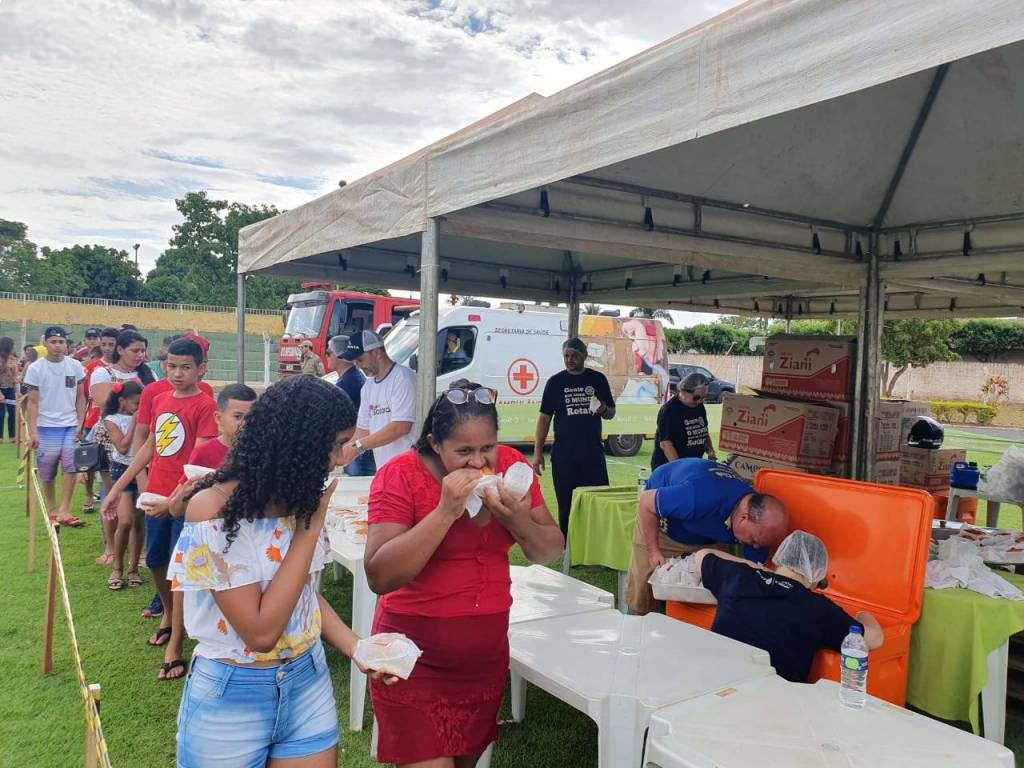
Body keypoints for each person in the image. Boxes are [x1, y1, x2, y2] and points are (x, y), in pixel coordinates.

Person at [170, 375, 397, 765]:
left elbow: (300, 595)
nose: (340, 458)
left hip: (308, 679)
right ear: (297, 444)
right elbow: (260, 632)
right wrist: (309, 528)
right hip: (232, 690)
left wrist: (357, 646)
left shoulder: (299, 497)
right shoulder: (212, 510)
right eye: (336, 444)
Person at [365, 379, 564, 767]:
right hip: (413, 659)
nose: (478, 462)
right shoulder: (400, 474)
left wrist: (517, 520)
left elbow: (549, 550)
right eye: (463, 451)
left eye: (487, 447)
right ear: (435, 444)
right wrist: (445, 512)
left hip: (483, 662)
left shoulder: (512, 467)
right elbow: (380, 576)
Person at [101, 337, 218, 680]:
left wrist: (174, 501)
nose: (177, 373)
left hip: (185, 501)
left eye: (186, 367)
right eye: (172, 366)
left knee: (180, 572)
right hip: (156, 495)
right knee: (154, 561)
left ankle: (176, 644)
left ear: (201, 369)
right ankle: (169, 613)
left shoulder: (206, 406)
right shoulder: (161, 398)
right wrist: (116, 489)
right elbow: (150, 448)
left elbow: (198, 463)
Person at [694, 530, 884, 683]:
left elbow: (703, 555)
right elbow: (874, 639)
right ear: (817, 573)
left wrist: (759, 570)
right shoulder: (818, 608)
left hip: (713, 687)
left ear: (780, 557)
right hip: (774, 703)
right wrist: (863, 614)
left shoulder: (738, 576)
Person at [625, 458, 789, 615]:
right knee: (644, 587)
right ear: (743, 518)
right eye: (753, 540)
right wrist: (653, 551)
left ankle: (685, 619)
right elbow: (647, 503)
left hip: (707, 534)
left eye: (760, 544)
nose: (755, 547)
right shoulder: (699, 496)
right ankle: (637, 620)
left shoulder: (759, 530)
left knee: (713, 586)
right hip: (663, 523)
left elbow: (753, 573)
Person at [532, 337, 616, 538]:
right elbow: (544, 418)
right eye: (566, 356)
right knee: (566, 505)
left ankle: (597, 543)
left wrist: (603, 409)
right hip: (564, 456)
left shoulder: (597, 379)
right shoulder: (555, 382)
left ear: (584, 357)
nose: (569, 360)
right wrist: (537, 453)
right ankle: (568, 545)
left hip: (592, 454)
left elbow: (611, 413)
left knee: (598, 502)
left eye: (574, 356)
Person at [23, 326, 87, 527]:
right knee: (48, 469)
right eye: (53, 342)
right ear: (45, 344)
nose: (58, 346)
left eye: (61, 342)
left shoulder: (75, 366)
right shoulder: (36, 369)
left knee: (70, 466)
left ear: (66, 345)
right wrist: (33, 431)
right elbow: (32, 402)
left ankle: (64, 509)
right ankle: (52, 508)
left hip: (70, 424)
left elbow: (81, 397)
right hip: (46, 426)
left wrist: (80, 423)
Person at [166, 383, 258, 520]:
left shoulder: (263, 451)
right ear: (218, 418)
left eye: (251, 417)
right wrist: (187, 492)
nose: (245, 423)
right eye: (237, 417)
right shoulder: (204, 452)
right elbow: (175, 510)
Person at [339, 331, 416, 471]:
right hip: (384, 468)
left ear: (377, 353)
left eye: (360, 359)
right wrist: (341, 451)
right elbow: (363, 430)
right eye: (355, 361)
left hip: (408, 468)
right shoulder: (368, 387)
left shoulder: (403, 378)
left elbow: (401, 426)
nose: (357, 366)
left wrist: (359, 446)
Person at [100, 381, 145, 591]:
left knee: (139, 522)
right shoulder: (111, 419)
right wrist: (135, 422)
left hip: (143, 469)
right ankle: (117, 567)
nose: (139, 407)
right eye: (136, 403)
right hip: (122, 470)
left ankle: (133, 569)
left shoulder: (146, 416)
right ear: (122, 401)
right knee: (125, 520)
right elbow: (123, 447)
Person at [326, 334, 376, 477]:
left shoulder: (347, 384)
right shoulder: (353, 378)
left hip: (357, 451)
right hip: (358, 447)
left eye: (328, 353)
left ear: (339, 355)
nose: (326, 356)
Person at [651, 372, 716, 470]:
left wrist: (710, 452)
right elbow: (666, 444)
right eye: (697, 397)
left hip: (692, 465)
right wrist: (680, 469)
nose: (700, 401)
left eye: (703, 398)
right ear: (684, 391)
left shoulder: (699, 406)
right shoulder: (669, 410)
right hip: (669, 467)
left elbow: (703, 431)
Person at [0, 337, 18, 444]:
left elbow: (15, 376)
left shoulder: (13, 358)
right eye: (12, 345)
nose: (14, 347)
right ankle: (0, 437)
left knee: (13, 412)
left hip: (10, 389)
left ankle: (13, 436)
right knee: (1, 413)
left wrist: (17, 391)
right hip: (1, 389)